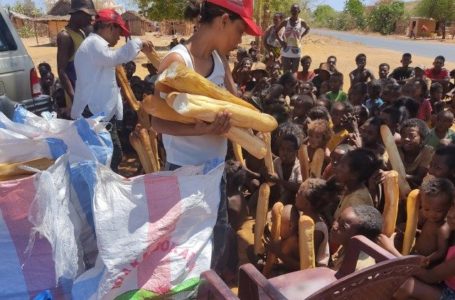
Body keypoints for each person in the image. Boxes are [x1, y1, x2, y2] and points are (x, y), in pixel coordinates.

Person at [151, 0, 262, 276]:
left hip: (216, 168)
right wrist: (203, 129)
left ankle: (208, 290)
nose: (240, 40)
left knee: (216, 237)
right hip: (184, 171)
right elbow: (156, 121)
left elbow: (233, 99)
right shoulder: (177, 61)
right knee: (184, 246)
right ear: (223, 20)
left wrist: (248, 114)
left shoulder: (220, 60)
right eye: (239, 30)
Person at [71, 9, 155, 172]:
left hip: (103, 114)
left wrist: (119, 112)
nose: (118, 38)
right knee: (106, 159)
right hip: (93, 114)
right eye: (118, 32)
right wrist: (138, 43)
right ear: (109, 27)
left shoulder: (99, 47)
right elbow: (114, 58)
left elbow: (109, 81)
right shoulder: (94, 44)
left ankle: (105, 187)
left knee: (112, 156)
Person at [391, 204, 455, 300]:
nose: (451, 215)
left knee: (403, 286)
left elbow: (430, 277)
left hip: (451, 293)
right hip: (443, 282)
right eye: (453, 206)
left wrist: (390, 250)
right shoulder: (451, 228)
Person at [57, 0, 95, 115]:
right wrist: (74, 98)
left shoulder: (81, 33)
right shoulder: (65, 36)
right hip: (75, 93)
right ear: (77, 13)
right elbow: (62, 70)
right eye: (88, 15)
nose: (90, 19)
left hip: (84, 91)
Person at [330, 205, 383, 271]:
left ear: (361, 238)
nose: (334, 226)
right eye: (338, 219)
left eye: (343, 227)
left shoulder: (357, 268)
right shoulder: (348, 245)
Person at [333, 148, 379, 219]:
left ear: (354, 175)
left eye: (342, 166)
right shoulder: (349, 188)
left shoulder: (357, 201)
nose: (337, 167)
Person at [399, 118, 434, 188]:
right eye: (403, 135)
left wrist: (400, 176)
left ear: (422, 138)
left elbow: (419, 177)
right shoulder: (396, 150)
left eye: (411, 136)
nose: (406, 139)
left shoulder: (427, 151)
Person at [275, 4, 310, 74]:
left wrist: (301, 36)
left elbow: (308, 29)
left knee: (295, 73)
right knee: (286, 72)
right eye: (292, 10)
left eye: (296, 10)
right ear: (290, 11)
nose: (294, 11)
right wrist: (281, 42)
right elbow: (276, 32)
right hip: (286, 50)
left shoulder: (301, 22)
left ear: (299, 11)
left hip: (296, 51)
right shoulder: (286, 21)